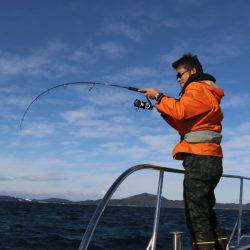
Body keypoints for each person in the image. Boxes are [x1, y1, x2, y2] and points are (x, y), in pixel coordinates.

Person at [139, 53, 228, 250]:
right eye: (176, 76)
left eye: (180, 74)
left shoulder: (197, 88)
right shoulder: (205, 92)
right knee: (205, 211)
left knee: (195, 214)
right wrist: (161, 106)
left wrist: (159, 96)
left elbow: (181, 110)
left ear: (193, 71)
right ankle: (223, 246)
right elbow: (182, 123)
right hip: (209, 159)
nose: (178, 79)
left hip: (200, 158)